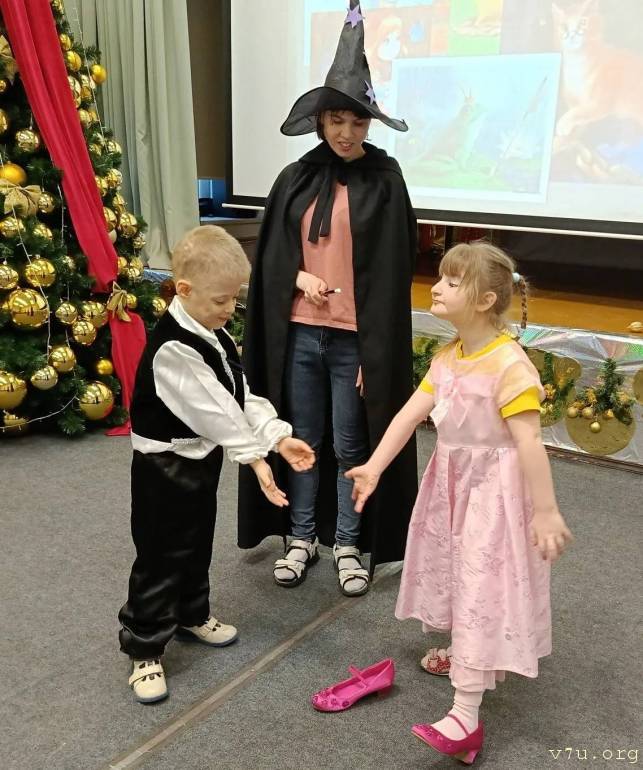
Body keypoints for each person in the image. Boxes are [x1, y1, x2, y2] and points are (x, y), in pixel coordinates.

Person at [347, 241, 573, 762]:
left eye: (453, 282)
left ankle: (464, 715)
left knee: (479, 582)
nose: (438, 287)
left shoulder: (510, 365)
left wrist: (545, 510)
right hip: (452, 486)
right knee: (454, 569)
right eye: (441, 277)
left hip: (493, 493)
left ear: (486, 300)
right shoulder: (448, 358)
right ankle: (464, 650)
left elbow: (529, 442)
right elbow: (409, 415)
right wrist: (374, 467)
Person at [238, 1, 418, 597]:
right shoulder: (294, 179)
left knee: (349, 442)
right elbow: (269, 258)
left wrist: (375, 350)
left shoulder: (386, 183)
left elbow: (390, 277)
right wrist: (297, 277)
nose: (346, 132)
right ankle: (300, 538)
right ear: (320, 121)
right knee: (304, 438)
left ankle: (347, 542)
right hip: (299, 333)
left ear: (369, 125)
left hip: (352, 340)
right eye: (337, 120)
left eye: (357, 122)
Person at [118, 225, 315, 704]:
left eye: (233, 298)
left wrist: (277, 436)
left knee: (195, 541)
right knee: (161, 553)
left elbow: (239, 395)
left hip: (199, 461)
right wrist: (256, 458)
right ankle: (145, 645)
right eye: (221, 299)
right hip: (164, 468)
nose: (230, 309)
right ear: (184, 290)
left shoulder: (212, 332)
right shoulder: (174, 347)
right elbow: (216, 412)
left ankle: (191, 613)